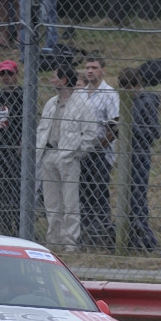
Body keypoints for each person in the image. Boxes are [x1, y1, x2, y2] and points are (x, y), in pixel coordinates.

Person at [35, 63, 96, 253]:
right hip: (49, 154)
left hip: (68, 157)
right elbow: (42, 129)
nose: (51, 80)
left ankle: (70, 242)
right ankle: (53, 241)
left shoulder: (82, 105)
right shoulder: (50, 103)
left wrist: (75, 153)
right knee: (52, 202)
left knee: (70, 201)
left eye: (54, 77)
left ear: (63, 80)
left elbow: (90, 135)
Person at [117, 67, 161, 254]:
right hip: (126, 155)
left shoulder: (146, 102)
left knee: (137, 197)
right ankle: (130, 237)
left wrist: (128, 127)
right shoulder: (128, 101)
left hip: (140, 155)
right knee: (125, 198)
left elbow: (154, 132)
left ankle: (145, 239)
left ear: (135, 86)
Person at [78, 55, 119, 250]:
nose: (90, 71)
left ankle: (102, 231)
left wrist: (99, 146)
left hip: (100, 152)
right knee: (83, 193)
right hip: (81, 151)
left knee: (99, 192)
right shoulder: (81, 94)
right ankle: (86, 233)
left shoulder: (110, 94)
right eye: (87, 67)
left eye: (94, 67)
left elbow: (114, 126)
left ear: (102, 70)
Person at [0, 59, 22, 236]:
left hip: (15, 148)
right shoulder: (0, 95)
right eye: (3, 74)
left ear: (17, 74)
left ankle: (19, 227)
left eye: (10, 73)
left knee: (15, 189)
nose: (6, 77)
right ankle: (2, 227)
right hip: (1, 148)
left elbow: (27, 122)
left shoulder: (23, 95)